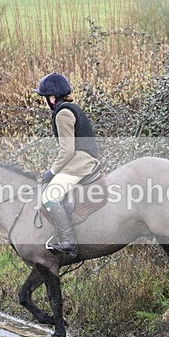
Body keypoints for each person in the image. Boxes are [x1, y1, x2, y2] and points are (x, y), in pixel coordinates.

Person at [35, 73, 99, 257]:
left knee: (49, 196)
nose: (46, 101)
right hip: (82, 158)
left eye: (46, 97)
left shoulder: (62, 113)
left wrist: (52, 171)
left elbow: (67, 150)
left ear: (53, 97)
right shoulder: (72, 108)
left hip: (80, 162)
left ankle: (68, 240)